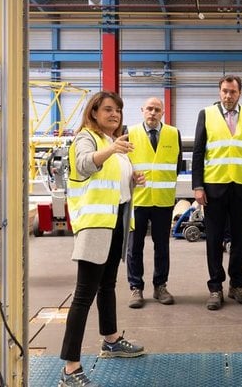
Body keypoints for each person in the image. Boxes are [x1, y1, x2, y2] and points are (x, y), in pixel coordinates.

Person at [59, 91, 145, 387]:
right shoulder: (87, 138)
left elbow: (111, 181)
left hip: (115, 223)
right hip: (96, 226)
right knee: (83, 295)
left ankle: (110, 340)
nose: (114, 114)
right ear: (93, 112)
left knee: (108, 285)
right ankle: (70, 368)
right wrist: (113, 151)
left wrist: (133, 178)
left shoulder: (111, 142)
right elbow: (84, 164)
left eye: (118, 110)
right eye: (108, 109)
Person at [192, 74, 242, 311]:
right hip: (214, 188)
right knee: (213, 240)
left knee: (239, 239)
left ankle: (236, 285)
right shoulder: (207, 114)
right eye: (224, 91)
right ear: (219, 92)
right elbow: (199, 152)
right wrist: (198, 186)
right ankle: (215, 288)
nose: (228, 96)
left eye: (232, 92)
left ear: (239, 93)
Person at [126, 97, 182, 308]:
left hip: (163, 201)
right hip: (138, 200)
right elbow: (123, 164)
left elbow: (175, 165)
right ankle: (136, 287)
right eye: (149, 109)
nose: (152, 113)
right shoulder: (130, 132)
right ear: (142, 110)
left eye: (157, 109)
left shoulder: (172, 133)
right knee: (135, 246)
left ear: (163, 113)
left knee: (162, 246)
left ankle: (160, 286)